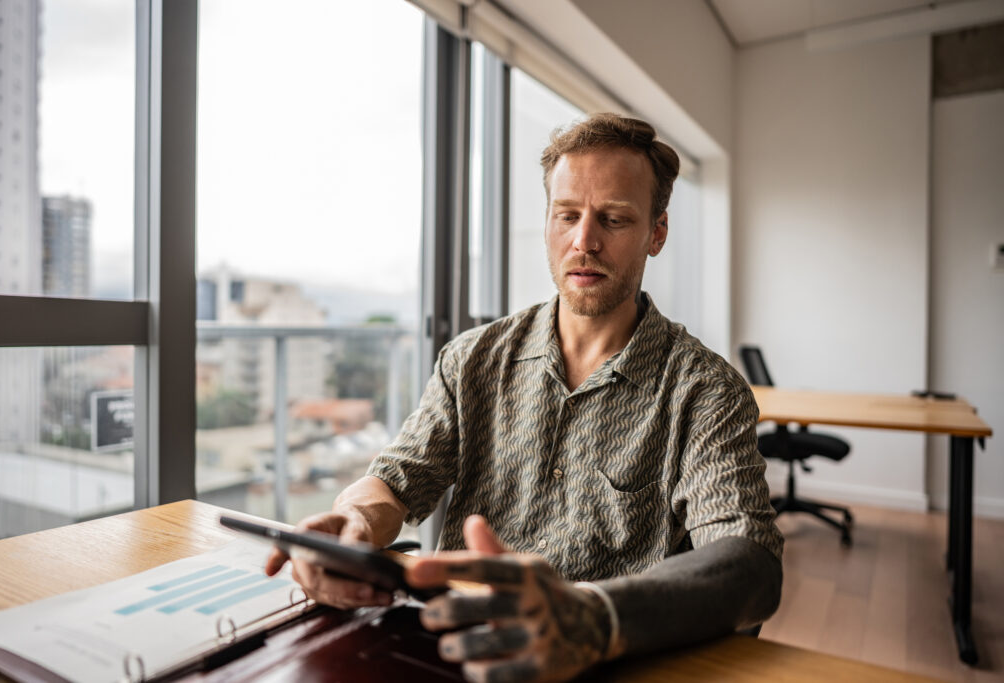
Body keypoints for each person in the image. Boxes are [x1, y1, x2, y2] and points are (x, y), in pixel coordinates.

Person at [266, 113, 783, 682]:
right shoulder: (473, 359)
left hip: (599, 663)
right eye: (567, 216)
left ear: (656, 233)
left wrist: (593, 618)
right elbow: (396, 477)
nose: (584, 241)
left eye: (613, 219)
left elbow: (750, 563)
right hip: (452, 648)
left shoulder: (705, 392)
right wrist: (353, 523)